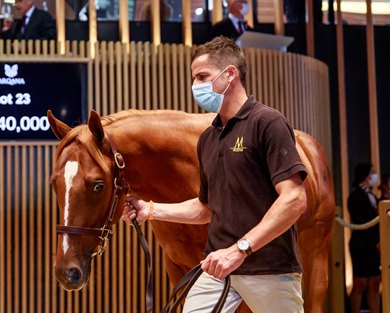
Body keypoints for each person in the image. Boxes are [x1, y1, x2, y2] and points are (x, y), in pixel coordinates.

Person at [122, 36, 308, 312]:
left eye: (202, 76)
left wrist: (240, 249)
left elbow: (294, 199)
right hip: (217, 268)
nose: (195, 86)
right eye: (194, 78)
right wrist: (150, 210)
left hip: (270, 268)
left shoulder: (268, 123)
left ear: (230, 74)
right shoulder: (208, 138)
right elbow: (206, 208)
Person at [347, 163, 381, 313]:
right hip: (361, 245)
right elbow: (361, 221)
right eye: (372, 172)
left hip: (375, 246)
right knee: (359, 283)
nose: (375, 175)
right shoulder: (355, 196)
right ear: (366, 175)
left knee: (374, 282)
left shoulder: (373, 195)